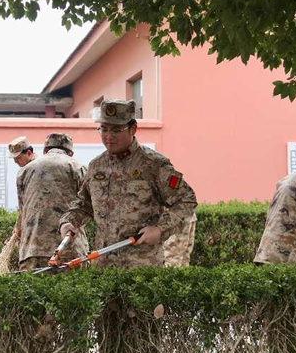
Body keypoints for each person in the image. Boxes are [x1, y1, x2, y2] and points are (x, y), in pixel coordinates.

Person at [59, 99, 198, 268]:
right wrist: (68, 222)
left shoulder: (153, 165)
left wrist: (160, 229)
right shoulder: (97, 166)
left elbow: (186, 200)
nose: (109, 136)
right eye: (104, 129)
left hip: (141, 267)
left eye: (117, 130)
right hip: (104, 267)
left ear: (133, 129)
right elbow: (84, 204)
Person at [17, 133, 88, 270]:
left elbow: (22, 210)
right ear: (70, 153)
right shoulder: (78, 168)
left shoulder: (24, 171)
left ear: (45, 150)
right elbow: (90, 206)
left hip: (31, 250)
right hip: (68, 248)